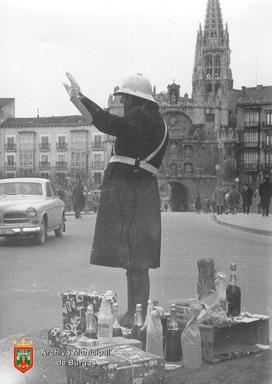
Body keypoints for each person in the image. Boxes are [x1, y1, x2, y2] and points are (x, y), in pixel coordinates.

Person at [64, 73, 168, 327]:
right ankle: (135, 313)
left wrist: (80, 98)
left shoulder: (141, 117)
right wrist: (80, 100)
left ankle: (137, 314)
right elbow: (107, 123)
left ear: (136, 100)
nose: (124, 103)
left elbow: (106, 122)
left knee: (136, 260)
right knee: (135, 259)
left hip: (131, 188)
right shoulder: (153, 120)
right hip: (139, 187)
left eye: (126, 98)